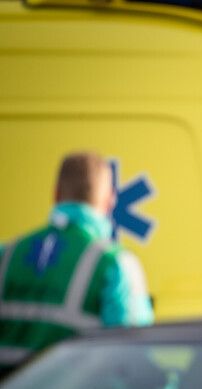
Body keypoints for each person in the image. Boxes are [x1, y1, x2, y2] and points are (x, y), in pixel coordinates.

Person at [0, 151, 153, 374]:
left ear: (56, 194)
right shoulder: (115, 264)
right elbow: (133, 362)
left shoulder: (7, 254)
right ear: (110, 200)